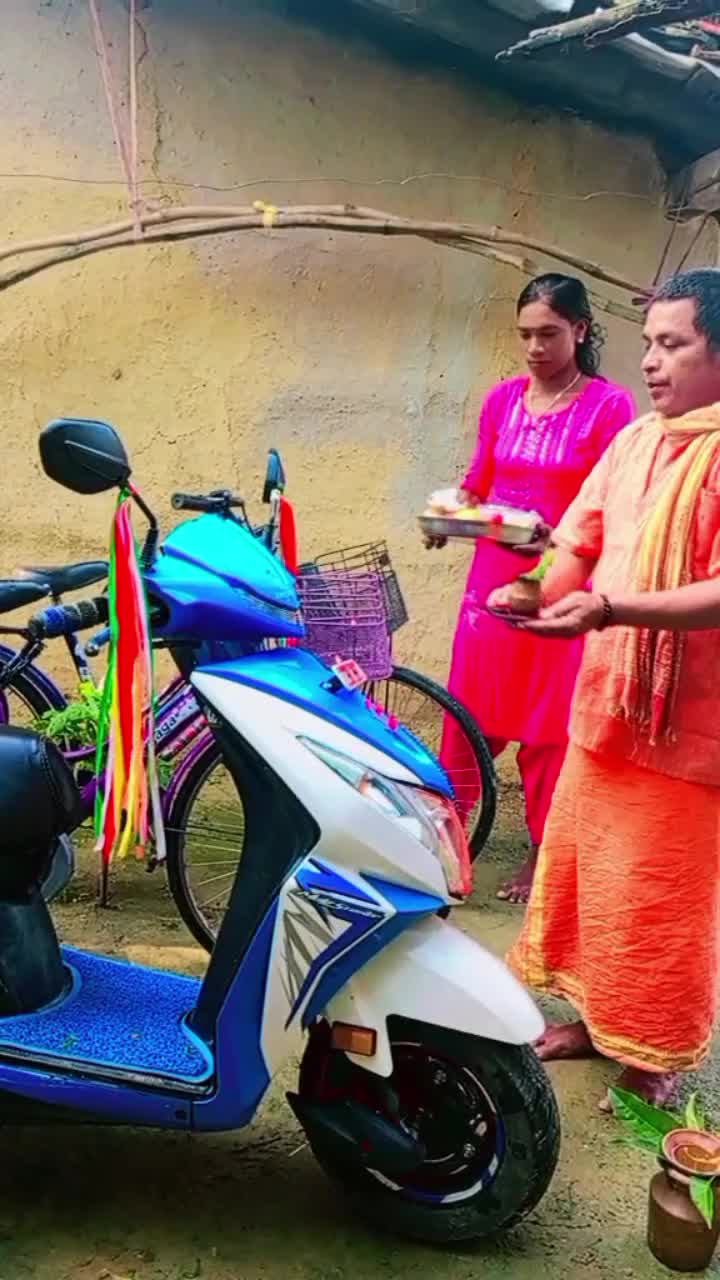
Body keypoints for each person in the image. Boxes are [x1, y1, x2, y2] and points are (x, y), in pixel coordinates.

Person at [489, 268, 720, 1109]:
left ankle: (654, 1050)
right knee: (592, 882)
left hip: (691, 730)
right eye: (649, 344)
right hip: (607, 703)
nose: (651, 362)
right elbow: (577, 543)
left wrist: (612, 608)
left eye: (673, 344)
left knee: (661, 898)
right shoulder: (634, 444)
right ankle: (594, 1020)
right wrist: (533, 591)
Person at [433, 275, 635, 902]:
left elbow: (608, 506)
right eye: (525, 335)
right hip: (490, 587)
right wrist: (448, 515)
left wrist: (553, 546)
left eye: (548, 333)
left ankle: (542, 854)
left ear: (580, 330)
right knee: (466, 717)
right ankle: (442, 841)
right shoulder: (502, 400)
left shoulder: (609, 407)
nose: (534, 348)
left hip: (561, 582)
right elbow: (478, 483)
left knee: (549, 729)